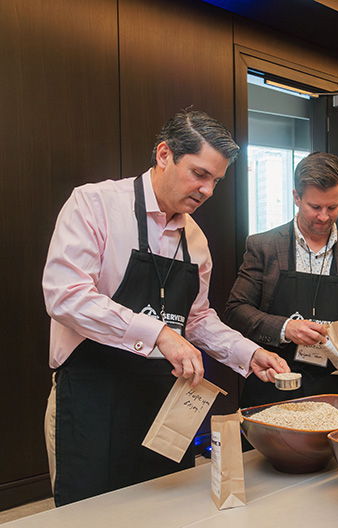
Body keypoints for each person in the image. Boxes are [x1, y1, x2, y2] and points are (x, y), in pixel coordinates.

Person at [42, 110, 289, 506]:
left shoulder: (196, 240)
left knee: (166, 511)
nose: (207, 190)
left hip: (164, 403)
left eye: (216, 181)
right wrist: (158, 334)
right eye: (199, 174)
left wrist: (249, 352)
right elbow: (65, 296)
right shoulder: (95, 204)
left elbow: (197, 318)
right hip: (93, 400)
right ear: (163, 155)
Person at [224, 152, 338, 408]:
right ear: (296, 197)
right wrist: (286, 328)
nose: (324, 217)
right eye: (315, 207)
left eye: (333, 207)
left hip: (337, 391)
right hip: (274, 383)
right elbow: (236, 310)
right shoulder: (264, 247)